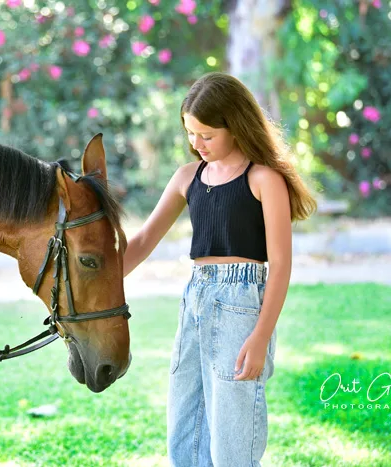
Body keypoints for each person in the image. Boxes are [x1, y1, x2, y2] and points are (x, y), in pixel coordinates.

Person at [123, 72, 317, 466]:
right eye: (190, 133)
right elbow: (142, 242)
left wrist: (260, 337)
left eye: (206, 135)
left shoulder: (264, 179)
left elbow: (280, 266)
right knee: (185, 419)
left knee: (231, 425)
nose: (197, 144)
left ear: (235, 125)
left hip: (241, 305)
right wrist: (99, 279)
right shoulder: (186, 178)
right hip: (194, 297)